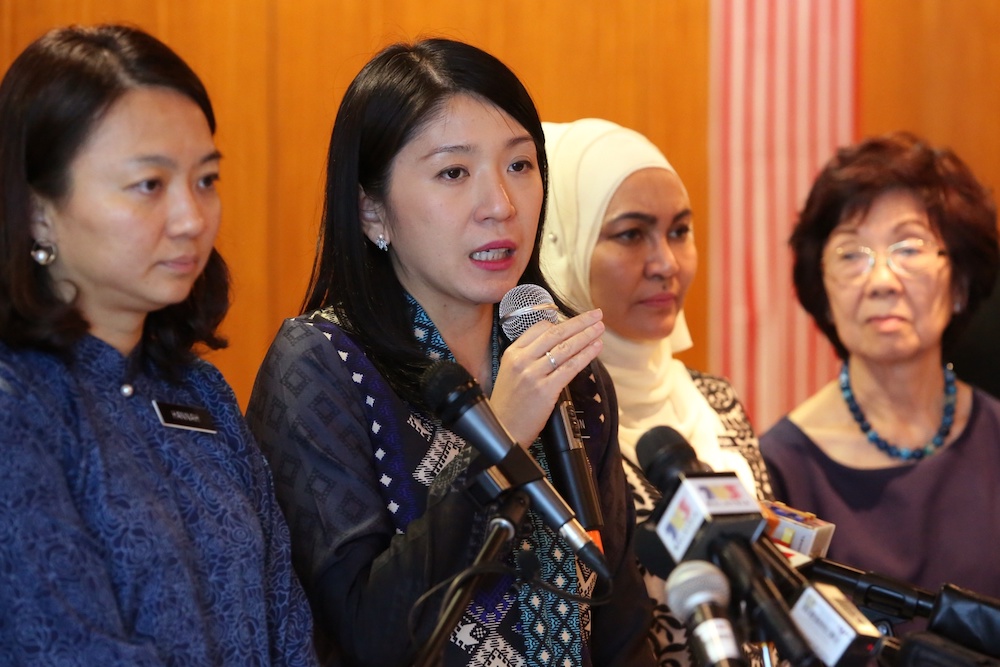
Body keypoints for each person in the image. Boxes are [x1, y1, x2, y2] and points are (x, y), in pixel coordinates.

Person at [245, 39, 656, 667]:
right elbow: (367, 635)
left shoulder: (565, 369)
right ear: (371, 210)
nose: (501, 206)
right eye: (454, 173)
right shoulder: (321, 366)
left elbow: (621, 628)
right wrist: (501, 440)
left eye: (520, 165)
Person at [0, 24, 316, 665]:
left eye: (205, 180)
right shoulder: (18, 404)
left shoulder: (200, 391)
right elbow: (62, 645)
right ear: (37, 210)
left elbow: (284, 617)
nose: (192, 219)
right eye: (150, 185)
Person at [540, 118, 773, 665]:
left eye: (679, 231)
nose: (666, 264)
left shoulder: (716, 399)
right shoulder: (551, 423)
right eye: (631, 234)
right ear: (561, 245)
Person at [759, 132, 1000, 607]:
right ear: (823, 294)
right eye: (852, 254)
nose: (881, 281)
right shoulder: (781, 467)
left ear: (960, 284)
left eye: (908, 248)